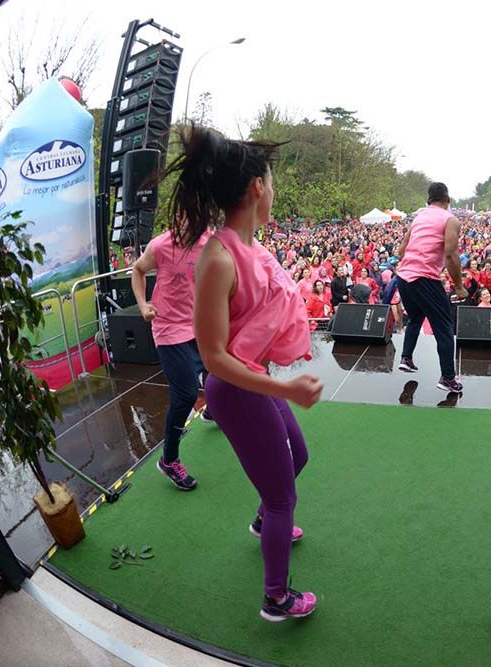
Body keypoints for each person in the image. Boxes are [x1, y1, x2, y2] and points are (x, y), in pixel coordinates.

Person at [170, 124, 323, 622]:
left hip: (255, 378)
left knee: (296, 455)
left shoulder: (253, 247)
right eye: (272, 182)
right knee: (283, 497)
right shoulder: (217, 258)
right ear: (257, 187)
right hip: (236, 389)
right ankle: (276, 598)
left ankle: (265, 521)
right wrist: (286, 388)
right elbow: (213, 356)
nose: (273, 190)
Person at [131, 222, 212, 491]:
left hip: (197, 323)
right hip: (168, 328)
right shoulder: (161, 245)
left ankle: (213, 411)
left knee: (216, 371)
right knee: (187, 394)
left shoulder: (208, 240)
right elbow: (138, 270)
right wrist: (143, 305)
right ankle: (169, 459)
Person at [395, 182, 467, 392]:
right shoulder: (450, 219)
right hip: (425, 279)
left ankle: (406, 358)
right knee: (444, 328)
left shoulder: (419, 217)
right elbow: (451, 254)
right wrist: (459, 285)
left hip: (403, 277)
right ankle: (448, 378)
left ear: (428, 200)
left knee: (416, 317)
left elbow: (402, 250)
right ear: (448, 200)